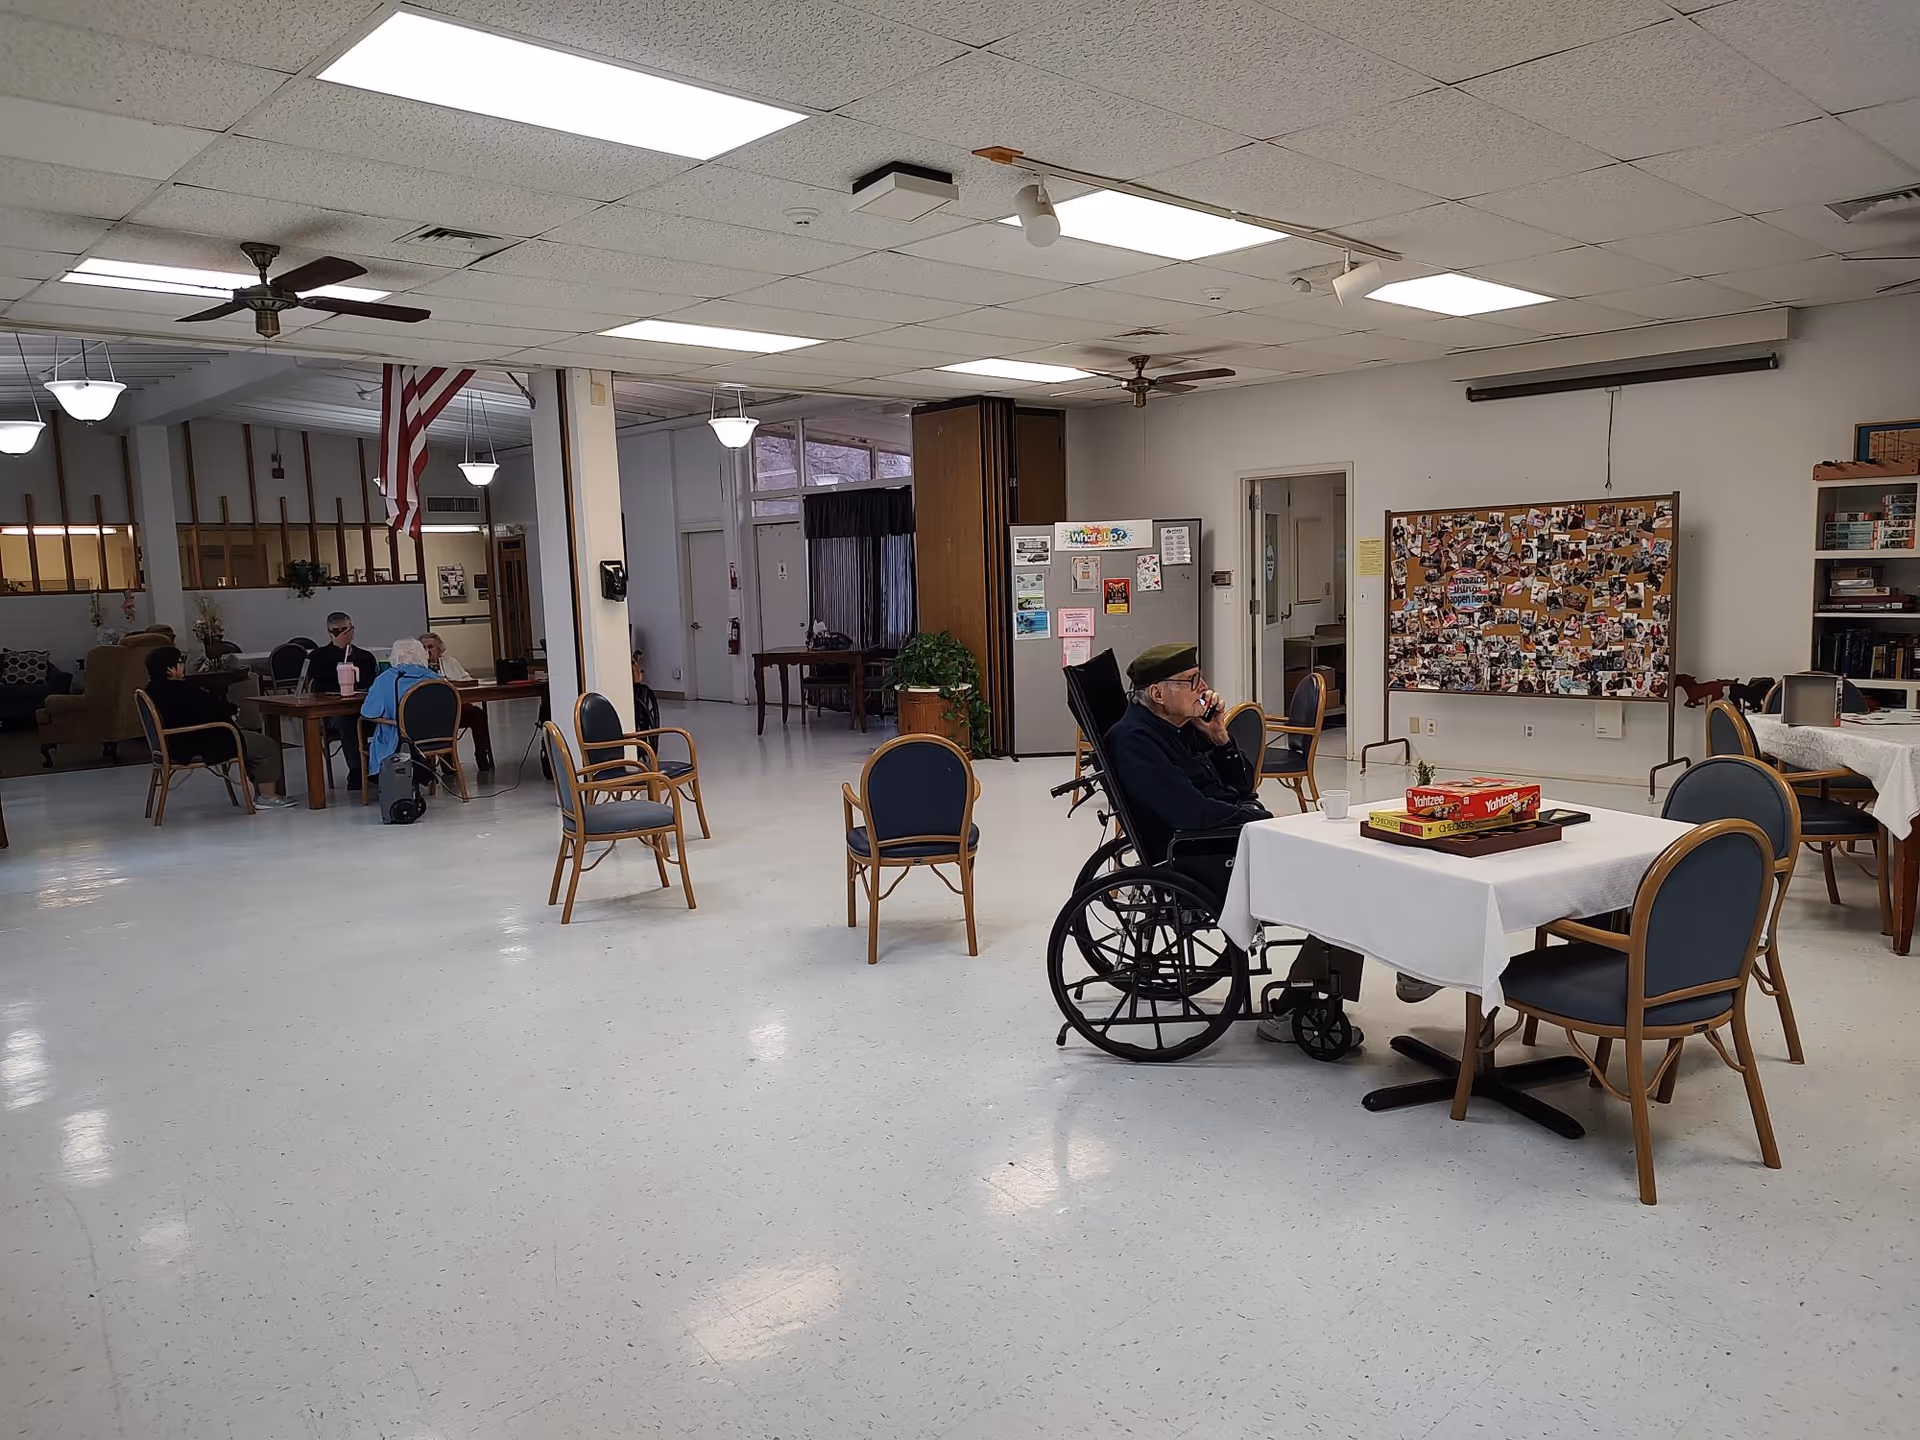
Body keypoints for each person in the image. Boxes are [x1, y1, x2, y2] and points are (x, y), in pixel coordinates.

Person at [1105, 643, 1269, 867]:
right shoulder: (1134, 741)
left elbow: (1244, 786)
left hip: (1222, 827)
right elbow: (1192, 812)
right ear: (1157, 694)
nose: (1203, 687)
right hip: (1196, 847)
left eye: (1200, 676)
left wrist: (1220, 738)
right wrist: (1263, 821)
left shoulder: (1184, 723)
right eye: (1192, 680)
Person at [142, 645, 294, 808]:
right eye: (180, 662)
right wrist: (231, 712)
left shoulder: (152, 690)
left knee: (248, 742)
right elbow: (210, 710)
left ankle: (261, 791)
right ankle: (267, 796)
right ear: (169, 668)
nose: (183, 666)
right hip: (198, 742)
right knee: (266, 746)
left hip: (174, 743)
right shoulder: (180, 689)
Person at [305, 612, 377, 789]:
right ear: (330, 633)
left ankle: (381, 767)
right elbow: (314, 685)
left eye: (346, 630)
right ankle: (356, 771)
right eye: (337, 631)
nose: (343, 634)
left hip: (363, 708)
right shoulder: (318, 657)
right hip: (332, 712)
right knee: (348, 722)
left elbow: (371, 684)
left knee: (389, 719)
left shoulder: (365, 657)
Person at [359, 638, 437, 785]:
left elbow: (368, 712)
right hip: (435, 737)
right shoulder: (435, 678)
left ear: (394, 656)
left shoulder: (386, 679)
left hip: (399, 737)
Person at [420, 632, 492, 770]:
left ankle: (481, 756)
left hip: (456, 708)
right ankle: (447, 761)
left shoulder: (450, 662)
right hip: (431, 714)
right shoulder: (417, 667)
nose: (427, 651)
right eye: (423, 648)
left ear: (439, 650)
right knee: (441, 717)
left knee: (477, 713)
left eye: (431, 647)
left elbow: (468, 680)